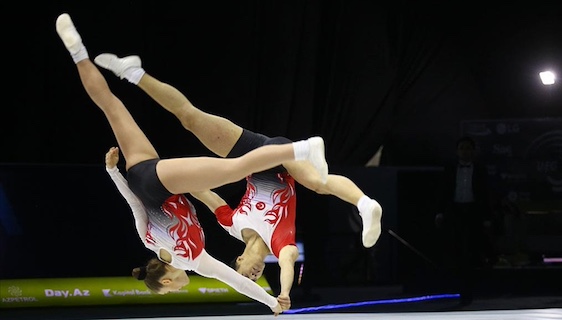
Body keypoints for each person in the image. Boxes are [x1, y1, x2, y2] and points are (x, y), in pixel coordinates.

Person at [56, 13, 330, 314]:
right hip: (140, 173)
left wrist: (271, 303)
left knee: (235, 168)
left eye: (163, 294)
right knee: (111, 106)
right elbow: (134, 203)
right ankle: (77, 50)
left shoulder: (194, 259)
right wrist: (112, 171)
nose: (170, 293)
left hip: (162, 183)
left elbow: (237, 283)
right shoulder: (148, 243)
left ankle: (303, 148)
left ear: (167, 283)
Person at [92, 52, 383, 308]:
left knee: (190, 118)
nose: (253, 276)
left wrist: (166, 184)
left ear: (239, 260)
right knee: (316, 182)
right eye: (255, 277)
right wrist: (282, 293)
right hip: (281, 162)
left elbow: (204, 194)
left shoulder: (232, 225)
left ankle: (132, 72)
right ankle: (364, 202)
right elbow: (286, 265)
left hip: (255, 152)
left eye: (246, 274)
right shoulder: (282, 244)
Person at [434, 136, 495, 305]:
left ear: (473, 151)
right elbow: (444, 191)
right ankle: (458, 289)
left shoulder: (481, 170)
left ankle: (469, 291)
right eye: (462, 148)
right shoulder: (450, 168)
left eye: (468, 148)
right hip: (455, 212)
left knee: (471, 252)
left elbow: (485, 194)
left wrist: (487, 217)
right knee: (456, 252)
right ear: (457, 151)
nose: (465, 151)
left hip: (473, 212)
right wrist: (440, 212)